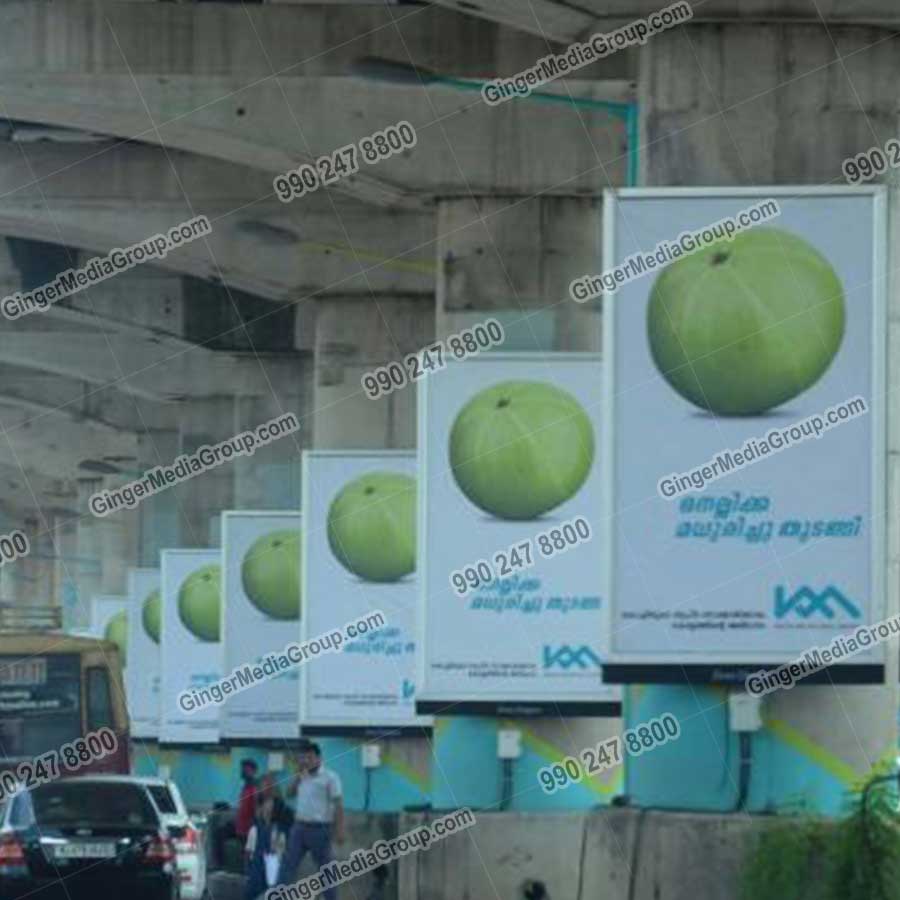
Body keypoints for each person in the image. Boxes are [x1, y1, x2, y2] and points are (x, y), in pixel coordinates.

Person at [276, 742, 345, 899]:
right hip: (299, 827)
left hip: (320, 830)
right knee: (287, 867)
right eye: (302, 757)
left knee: (326, 871)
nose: (305, 761)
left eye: (309, 757)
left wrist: (340, 830)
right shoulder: (302, 775)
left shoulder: (330, 777)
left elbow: (338, 805)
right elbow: (289, 794)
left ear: (318, 758)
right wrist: (297, 777)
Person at [213, 758, 259, 869]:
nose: (242, 771)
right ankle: (220, 864)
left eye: (246, 769)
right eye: (242, 769)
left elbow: (256, 811)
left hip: (246, 829)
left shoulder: (254, 789)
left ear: (252, 771)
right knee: (219, 832)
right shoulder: (245, 787)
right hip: (239, 825)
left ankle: (241, 867)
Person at [244, 793, 289, 900]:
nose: (266, 809)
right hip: (257, 876)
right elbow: (248, 854)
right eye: (265, 804)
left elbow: (281, 856)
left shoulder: (280, 832)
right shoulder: (255, 830)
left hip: (271, 877)